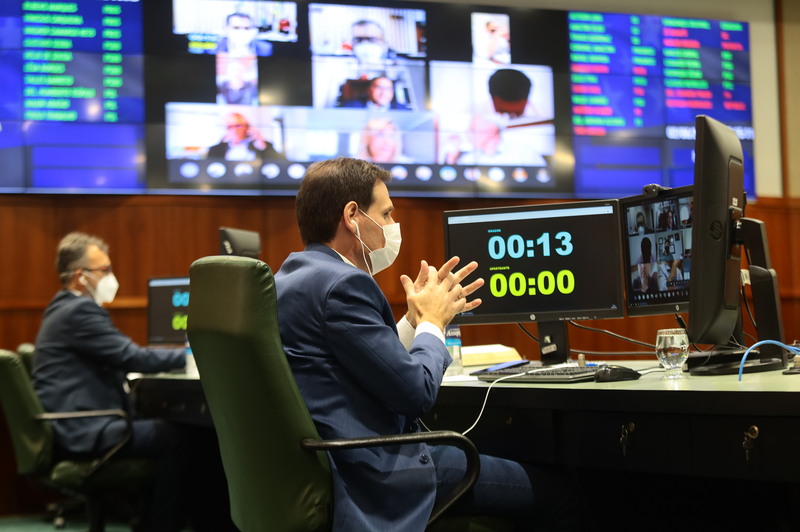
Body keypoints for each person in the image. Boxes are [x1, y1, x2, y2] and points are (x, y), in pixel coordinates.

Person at [274, 157, 589, 531]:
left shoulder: (292, 277)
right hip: (377, 472)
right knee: (561, 494)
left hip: (334, 462)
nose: (392, 225)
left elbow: (365, 358)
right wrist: (434, 323)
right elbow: (415, 393)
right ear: (352, 215)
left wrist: (413, 321)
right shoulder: (344, 285)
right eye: (386, 214)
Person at [32, 233, 234, 532]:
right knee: (179, 436)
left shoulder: (61, 309)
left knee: (178, 429)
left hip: (77, 421)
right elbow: (132, 356)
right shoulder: (78, 311)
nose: (111, 277)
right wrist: (194, 356)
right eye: (104, 270)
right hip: (86, 427)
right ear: (80, 277)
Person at [207, 111, 282, 162]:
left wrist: (262, 146)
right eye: (229, 127)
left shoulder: (262, 145)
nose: (234, 130)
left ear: (247, 127)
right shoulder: (215, 150)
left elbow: (278, 164)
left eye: (238, 126)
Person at [341, 76, 410, 110]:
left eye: (388, 89)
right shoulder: (350, 107)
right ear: (369, 90)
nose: (383, 93)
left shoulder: (402, 110)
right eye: (379, 87)